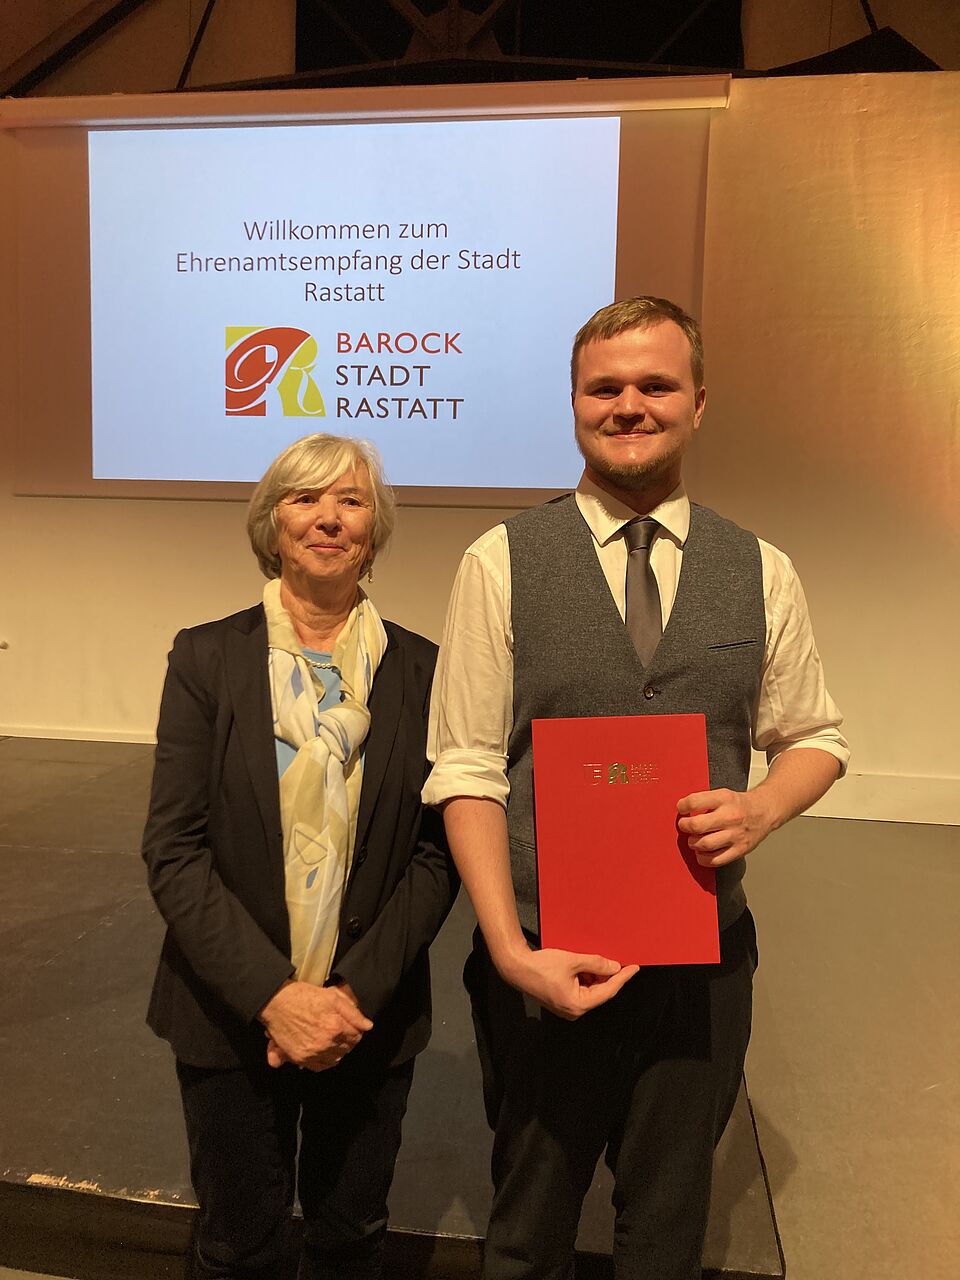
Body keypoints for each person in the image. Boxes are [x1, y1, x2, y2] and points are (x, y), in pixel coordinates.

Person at [423, 296, 849, 1280]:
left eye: (654, 384)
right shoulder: (499, 562)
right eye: (603, 386)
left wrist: (762, 806)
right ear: (573, 402)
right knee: (526, 1229)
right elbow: (468, 766)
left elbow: (814, 734)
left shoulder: (762, 568)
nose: (628, 404)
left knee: (665, 1230)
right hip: (538, 957)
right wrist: (508, 949)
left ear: (698, 401)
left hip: (701, 964)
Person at [142, 433, 458, 1280]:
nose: (328, 518)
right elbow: (174, 848)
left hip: (369, 1015)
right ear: (272, 523)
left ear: (375, 526)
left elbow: (436, 855)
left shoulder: (424, 671)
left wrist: (352, 992)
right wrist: (274, 998)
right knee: (237, 1242)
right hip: (229, 1013)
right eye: (304, 499)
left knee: (351, 1237)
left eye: (351, 501)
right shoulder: (207, 658)